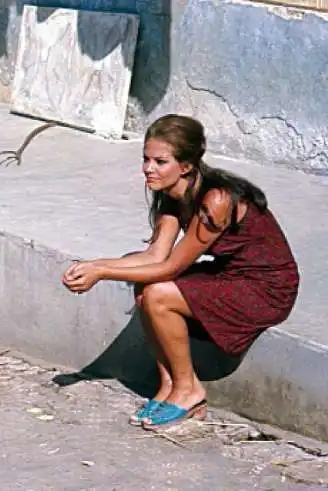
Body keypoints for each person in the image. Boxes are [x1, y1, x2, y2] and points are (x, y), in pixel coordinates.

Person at [61, 114, 300, 429]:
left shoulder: (216, 199)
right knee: (145, 283)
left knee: (158, 291)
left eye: (160, 161)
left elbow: (172, 266)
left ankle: (190, 390)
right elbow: (155, 255)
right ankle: (169, 386)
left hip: (266, 288)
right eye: (145, 159)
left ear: (185, 166)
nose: (148, 168)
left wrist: (103, 272)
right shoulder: (170, 193)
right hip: (229, 274)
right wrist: (93, 265)